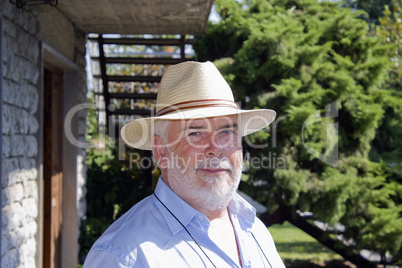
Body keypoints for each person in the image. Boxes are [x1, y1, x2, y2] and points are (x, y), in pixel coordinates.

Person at [83, 61, 285, 267]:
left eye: (226, 131)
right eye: (195, 133)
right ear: (161, 152)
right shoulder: (123, 255)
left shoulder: (254, 230)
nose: (215, 148)